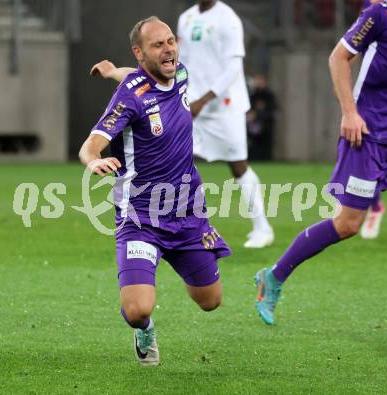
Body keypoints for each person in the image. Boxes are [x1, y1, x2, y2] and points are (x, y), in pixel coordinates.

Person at [79, 16, 231, 365]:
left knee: (210, 301)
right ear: (140, 52)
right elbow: (91, 144)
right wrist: (93, 162)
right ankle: (144, 329)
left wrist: (112, 69)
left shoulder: (180, 73)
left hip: (188, 212)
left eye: (170, 42)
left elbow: (132, 73)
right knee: (137, 309)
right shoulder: (129, 99)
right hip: (141, 217)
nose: (168, 50)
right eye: (157, 45)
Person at [254, 1, 387, 325]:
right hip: (369, 135)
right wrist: (349, 112)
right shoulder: (381, 14)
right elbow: (338, 57)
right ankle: (274, 277)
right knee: (348, 224)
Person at [177, 0, 274, 248]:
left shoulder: (228, 19)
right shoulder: (186, 18)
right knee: (177, 161)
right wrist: (180, 93)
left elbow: (233, 68)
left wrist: (204, 99)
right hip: (192, 104)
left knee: (238, 166)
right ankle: (178, 227)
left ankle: (262, 228)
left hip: (224, 106)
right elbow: (181, 61)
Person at [358, 0, 386, 239]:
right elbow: (353, 47)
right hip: (374, 97)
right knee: (364, 152)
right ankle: (371, 205)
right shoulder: (373, 7)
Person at [246, 74, 277, 161]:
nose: (257, 83)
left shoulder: (269, 95)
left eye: (259, 80)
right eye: (256, 80)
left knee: (264, 154)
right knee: (253, 153)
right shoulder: (252, 95)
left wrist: (257, 115)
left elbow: (272, 112)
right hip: (252, 130)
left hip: (265, 129)